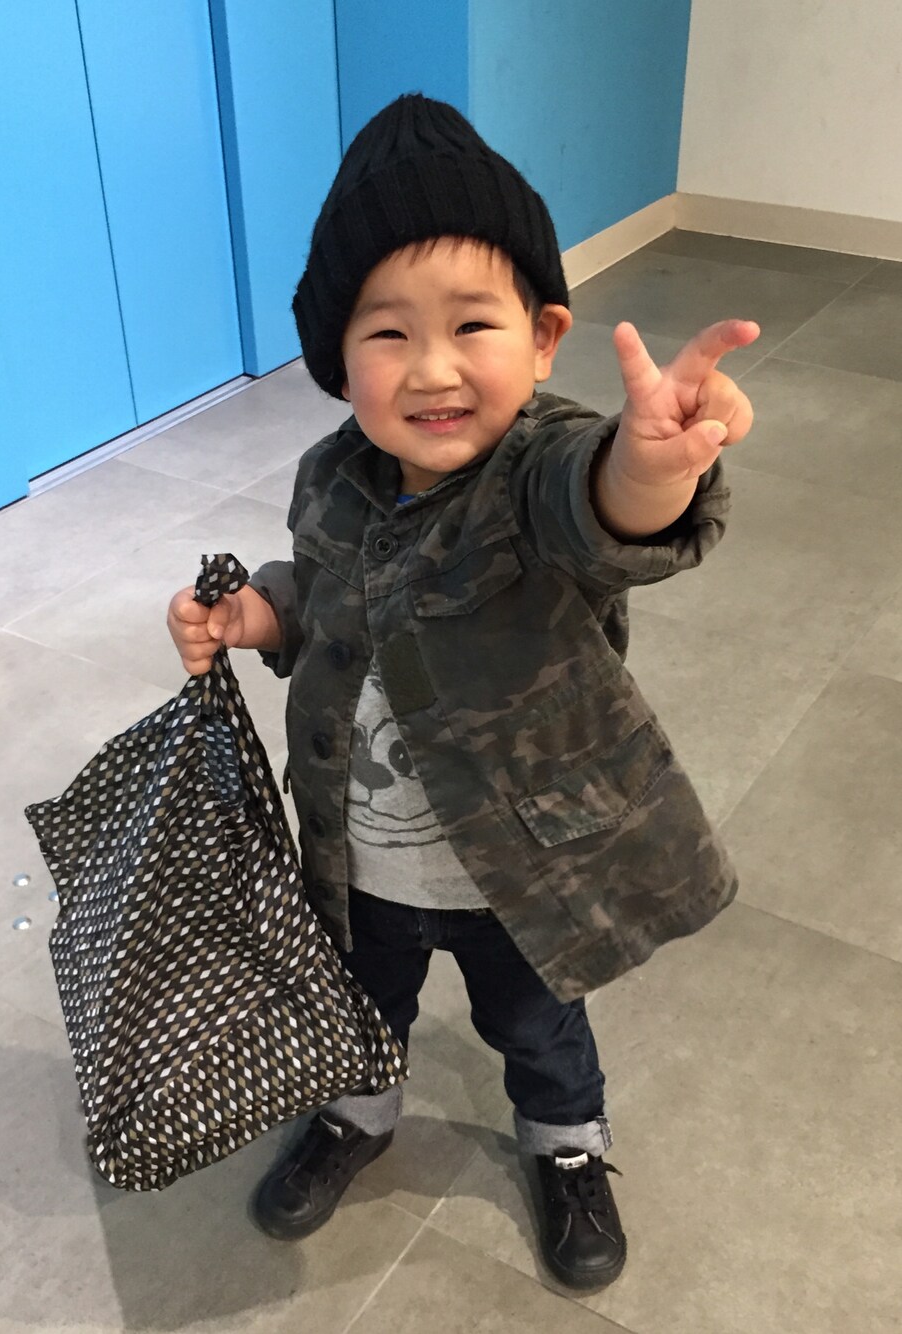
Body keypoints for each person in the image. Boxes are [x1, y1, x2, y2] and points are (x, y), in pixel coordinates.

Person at [167, 94, 756, 1291]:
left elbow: (601, 511)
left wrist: (649, 465)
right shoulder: (331, 476)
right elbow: (325, 597)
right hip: (360, 855)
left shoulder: (539, 466)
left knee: (536, 1025)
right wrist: (257, 616)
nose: (432, 368)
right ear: (337, 358)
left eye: (471, 324)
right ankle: (356, 1107)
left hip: (516, 868)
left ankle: (565, 1140)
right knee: (357, 1000)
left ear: (542, 337)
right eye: (387, 333)